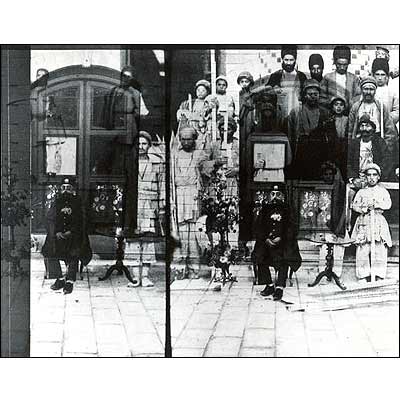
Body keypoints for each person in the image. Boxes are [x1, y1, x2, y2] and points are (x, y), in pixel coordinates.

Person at [126, 131, 164, 287]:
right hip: (133, 203)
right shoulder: (129, 162)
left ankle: (146, 276)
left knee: (148, 240)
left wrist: (161, 204)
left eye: (144, 144)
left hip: (150, 203)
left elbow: (162, 184)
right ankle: (135, 277)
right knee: (133, 240)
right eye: (138, 144)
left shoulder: (156, 163)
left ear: (149, 145)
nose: (141, 147)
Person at [42, 178, 92, 294]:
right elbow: (49, 219)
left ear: (73, 190)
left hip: (74, 235)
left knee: (74, 252)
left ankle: (69, 281)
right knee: (49, 250)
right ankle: (59, 279)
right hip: (58, 235)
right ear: (60, 189)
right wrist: (56, 232)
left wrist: (72, 232)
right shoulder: (56, 202)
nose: (65, 190)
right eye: (63, 188)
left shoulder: (78, 202)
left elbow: (82, 220)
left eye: (68, 188)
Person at [172, 126, 209, 278]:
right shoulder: (174, 155)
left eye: (189, 139)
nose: (186, 142)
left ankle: (194, 268)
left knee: (194, 233)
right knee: (180, 233)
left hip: (193, 195)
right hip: (179, 195)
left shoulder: (200, 154)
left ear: (194, 139)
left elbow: (207, 173)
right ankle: (181, 269)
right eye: (183, 139)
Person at [351, 163, 392, 281]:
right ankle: (363, 275)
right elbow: (354, 206)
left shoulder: (382, 191)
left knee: (379, 248)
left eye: (374, 175)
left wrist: (377, 205)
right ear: (366, 177)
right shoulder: (361, 192)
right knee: (363, 248)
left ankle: (379, 275)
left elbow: (388, 204)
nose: (372, 178)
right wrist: (363, 208)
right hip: (364, 221)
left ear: (378, 177)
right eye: (369, 175)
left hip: (378, 220)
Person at [254, 186, 293, 300]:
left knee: (285, 258)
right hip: (267, 241)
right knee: (259, 256)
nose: (275, 197)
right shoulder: (265, 209)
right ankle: (269, 285)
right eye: (273, 194)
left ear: (283, 196)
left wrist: (281, 238)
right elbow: (259, 226)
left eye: (278, 194)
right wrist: (266, 239)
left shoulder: (287, 209)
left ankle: (279, 287)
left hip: (283, 242)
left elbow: (292, 227)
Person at [287, 79, 331, 179]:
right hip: (301, 152)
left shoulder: (325, 113)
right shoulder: (296, 112)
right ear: (305, 95)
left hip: (319, 153)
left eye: (315, 94)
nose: (313, 96)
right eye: (310, 94)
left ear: (319, 95)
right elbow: (290, 135)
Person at [348, 76, 397, 148]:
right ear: (361, 90)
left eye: (371, 89)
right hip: (360, 143)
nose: (368, 92)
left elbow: (389, 129)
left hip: (377, 143)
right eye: (366, 89)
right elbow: (350, 128)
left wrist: (386, 146)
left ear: (375, 90)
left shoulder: (381, 107)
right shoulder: (356, 107)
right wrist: (351, 145)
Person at [266, 45, 307, 122]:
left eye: (291, 60)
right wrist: (273, 90)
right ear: (282, 60)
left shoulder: (302, 76)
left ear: (295, 60)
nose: (288, 63)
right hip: (280, 114)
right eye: (286, 60)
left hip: (298, 114)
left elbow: (306, 95)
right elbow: (267, 94)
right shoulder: (275, 76)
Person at [320, 45, 361, 110]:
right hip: (330, 113)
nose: (342, 67)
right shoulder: (327, 78)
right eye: (339, 64)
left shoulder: (354, 79)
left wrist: (348, 105)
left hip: (349, 113)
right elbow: (322, 97)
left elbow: (358, 97)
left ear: (348, 63)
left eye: (345, 65)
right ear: (335, 62)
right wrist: (332, 103)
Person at [177, 79, 211, 144]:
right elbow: (182, 111)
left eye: (203, 90)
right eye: (198, 90)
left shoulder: (207, 103)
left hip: (201, 127)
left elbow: (207, 116)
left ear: (207, 92)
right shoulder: (189, 102)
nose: (200, 92)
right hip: (191, 126)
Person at [372, 58, 399, 126]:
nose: (380, 78)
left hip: (388, 126)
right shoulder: (368, 90)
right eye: (377, 74)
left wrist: (387, 119)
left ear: (387, 76)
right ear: (373, 75)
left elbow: (397, 111)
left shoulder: (392, 92)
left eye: (382, 74)